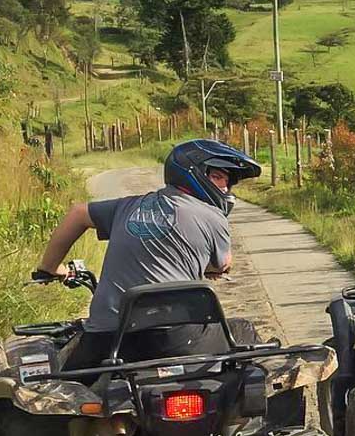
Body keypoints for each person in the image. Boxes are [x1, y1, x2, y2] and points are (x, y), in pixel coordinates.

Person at [34, 139, 261, 368]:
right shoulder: (213, 217)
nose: (225, 187)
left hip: (108, 340)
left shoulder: (126, 206)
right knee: (244, 336)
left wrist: (50, 268)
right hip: (178, 340)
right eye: (218, 177)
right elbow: (222, 264)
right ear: (194, 173)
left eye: (228, 181)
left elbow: (78, 213)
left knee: (62, 379)